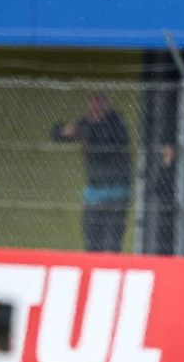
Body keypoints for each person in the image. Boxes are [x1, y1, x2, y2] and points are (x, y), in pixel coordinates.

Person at [50, 94, 134, 252]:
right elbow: (58, 134)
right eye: (91, 109)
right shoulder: (87, 124)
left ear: (106, 109)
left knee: (111, 243)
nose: (93, 113)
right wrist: (66, 130)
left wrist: (87, 131)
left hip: (116, 192)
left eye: (97, 109)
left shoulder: (116, 123)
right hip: (94, 192)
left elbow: (106, 146)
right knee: (91, 241)